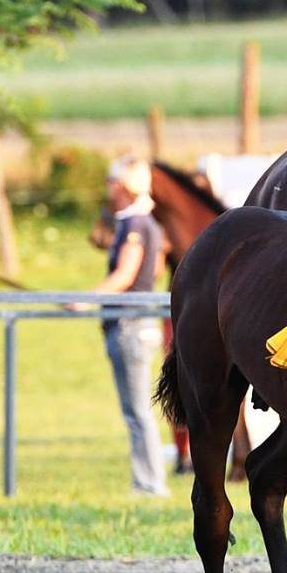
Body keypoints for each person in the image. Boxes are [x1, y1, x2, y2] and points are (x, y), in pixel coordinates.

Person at [92, 156, 171, 497]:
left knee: (137, 411)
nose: (108, 188)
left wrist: (84, 298)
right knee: (136, 410)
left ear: (122, 186)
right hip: (137, 326)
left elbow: (127, 274)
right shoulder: (141, 223)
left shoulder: (135, 225)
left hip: (130, 327)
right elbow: (151, 272)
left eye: (112, 181)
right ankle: (148, 481)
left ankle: (150, 484)